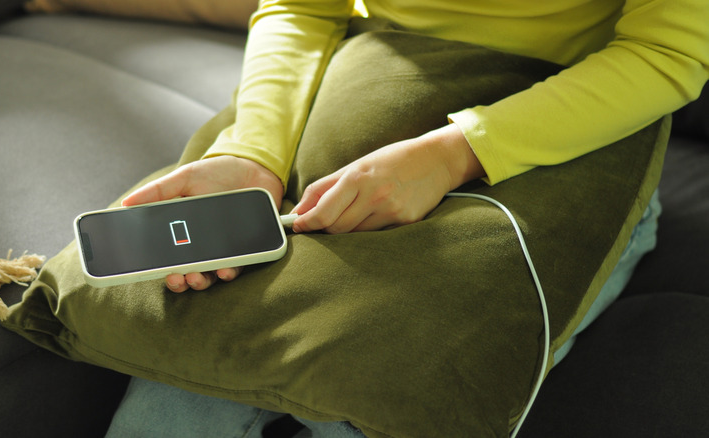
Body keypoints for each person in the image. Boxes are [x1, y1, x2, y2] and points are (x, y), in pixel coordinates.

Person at [106, 0, 709, 436]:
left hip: (560, 136)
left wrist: (455, 155)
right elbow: (301, 6)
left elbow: (669, 52)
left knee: (389, 379)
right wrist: (252, 152)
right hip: (373, 88)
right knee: (189, 371)